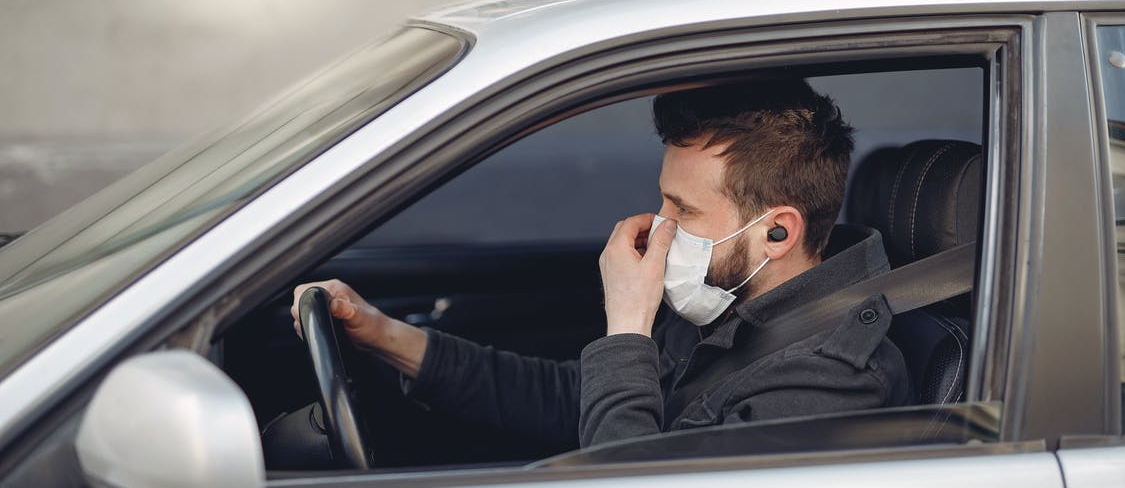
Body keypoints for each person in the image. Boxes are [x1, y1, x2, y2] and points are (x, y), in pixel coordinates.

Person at [291, 78, 909, 452]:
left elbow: (626, 475)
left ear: (777, 230)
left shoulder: (831, 382)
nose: (659, 227)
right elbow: (576, 402)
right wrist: (387, 337)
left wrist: (628, 327)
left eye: (682, 209)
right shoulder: (729, 301)